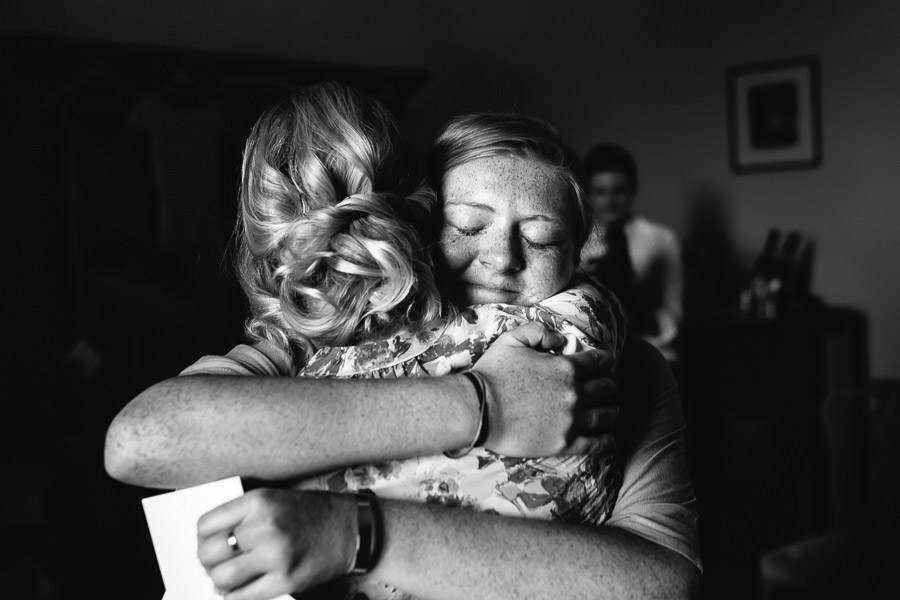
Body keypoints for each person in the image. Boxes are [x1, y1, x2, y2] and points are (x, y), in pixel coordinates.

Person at [105, 87, 700, 599]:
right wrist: (483, 401)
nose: (501, 258)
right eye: (468, 227)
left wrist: (358, 534)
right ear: (415, 224)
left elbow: (666, 582)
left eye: (541, 240)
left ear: (579, 251)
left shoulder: (622, 365)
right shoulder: (319, 340)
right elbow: (139, 442)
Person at [580, 143, 684, 363]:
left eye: (619, 191)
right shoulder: (577, 241)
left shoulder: (662, 239)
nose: (610, 201)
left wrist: (645, 312)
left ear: (633, 189)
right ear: (588, 194)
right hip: (592, 350)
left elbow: (674, 305)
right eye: (600, 192)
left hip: (652, 347)